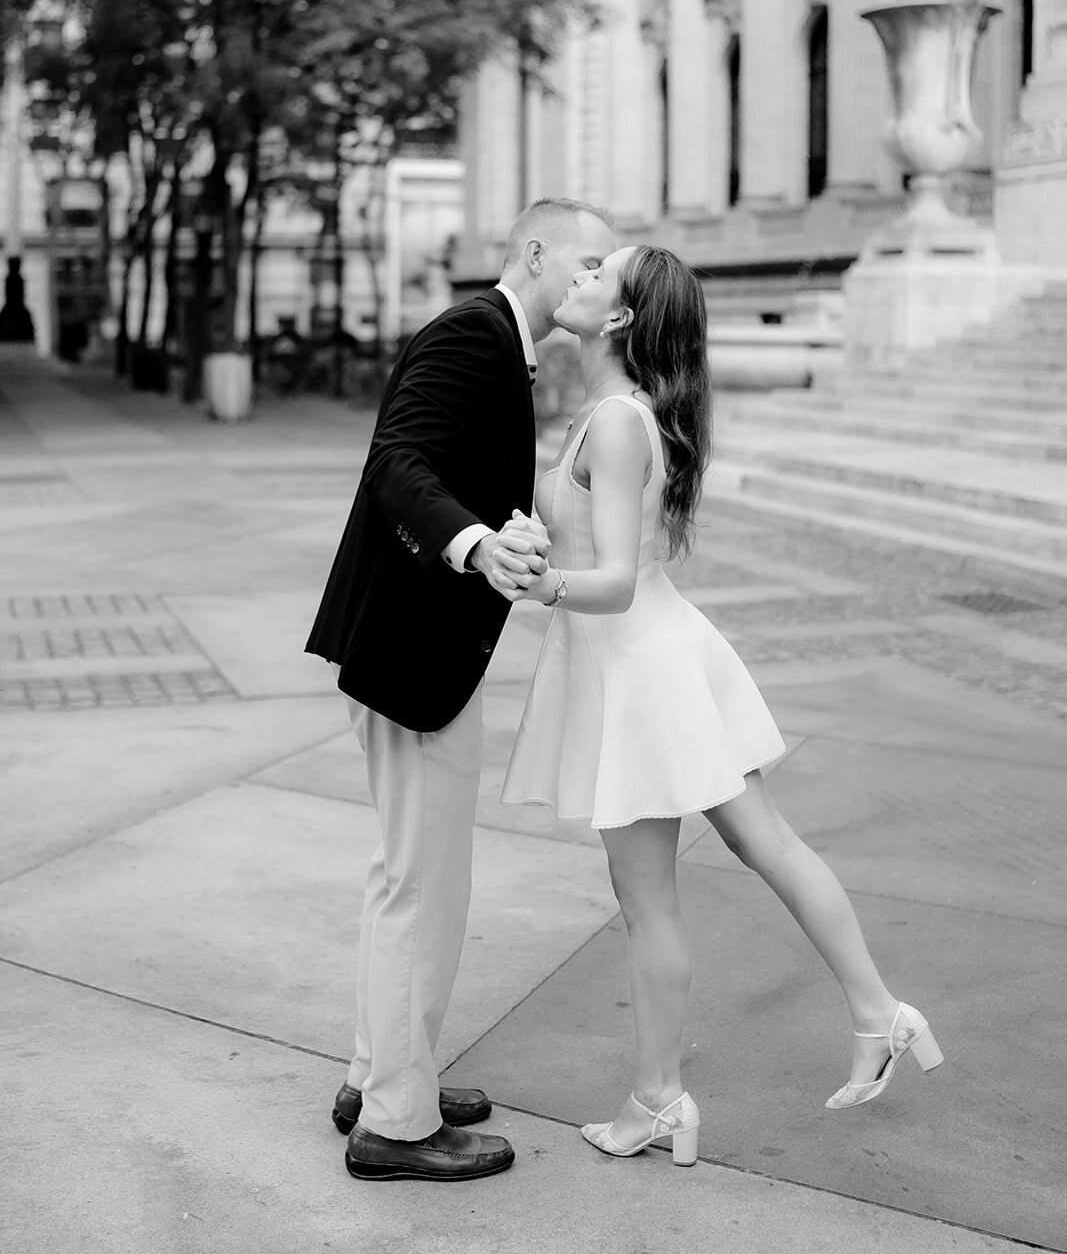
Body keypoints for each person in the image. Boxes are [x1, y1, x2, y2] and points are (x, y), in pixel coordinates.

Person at [498, 245, 943, 1166]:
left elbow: (614, 583)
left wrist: (536, 582)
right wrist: (537, 540)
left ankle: (662, 1098)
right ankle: (876, 1014)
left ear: (618, 319)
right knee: (756, 842)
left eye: (595, 272)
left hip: (641, 664)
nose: (576, 277)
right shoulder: (609, 413)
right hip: (647, 657)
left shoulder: (617, 421)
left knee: (653, 895)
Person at [305, 198, 617, 1182]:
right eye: (587, 257)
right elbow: (396, 460)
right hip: (409, 656)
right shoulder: (471, 334)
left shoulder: (500, 343)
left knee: (406, 878)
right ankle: (396, 1125)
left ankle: (381, 1073)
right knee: (423, 891)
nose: (595, 277)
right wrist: (475, 541)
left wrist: (501, 534)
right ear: (534, 250)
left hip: (413, 649)